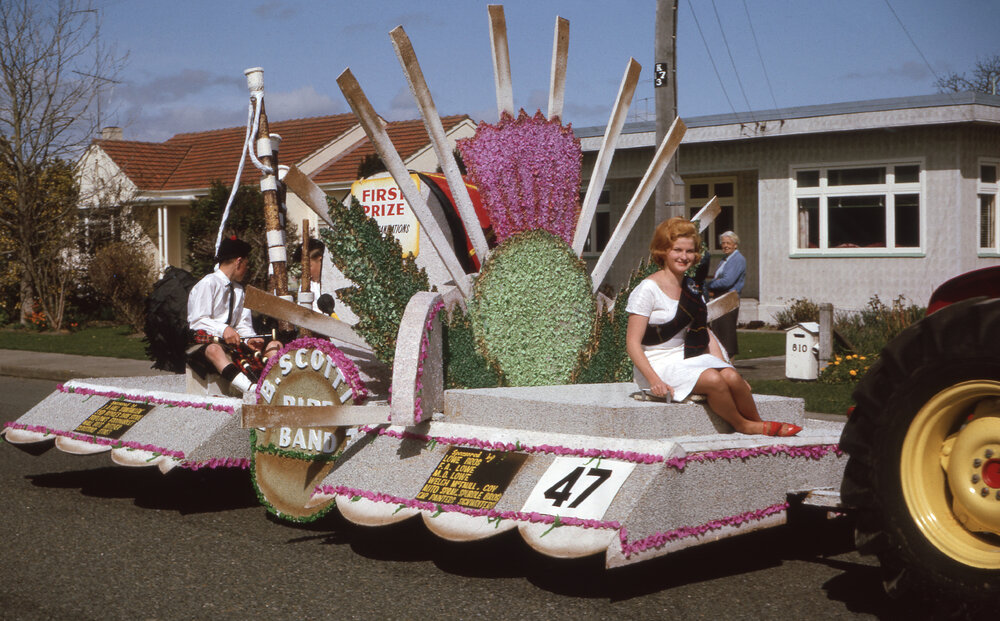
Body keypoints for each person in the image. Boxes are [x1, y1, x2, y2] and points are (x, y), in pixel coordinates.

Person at [625, 218, 800, 436]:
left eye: (689, 251)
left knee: (732, 377)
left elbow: (705, 333)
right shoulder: (647, 289)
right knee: (713, 378)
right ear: (663, 251)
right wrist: (654, 380)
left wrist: (728, 366)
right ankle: (743, 425)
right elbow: (632, 344)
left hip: (684, 358)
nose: (684, 256)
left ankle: (759, 423)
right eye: (677, 250)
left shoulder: (690, 286)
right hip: (655, 363)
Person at [187, 236, 267, 395]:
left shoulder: (239, 290)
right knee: (215, 349)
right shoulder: (208, 283)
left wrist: (249, 338)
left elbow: (243, 324)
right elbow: (197, 321)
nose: (247, 268)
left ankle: (269, 386)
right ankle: (252, 390)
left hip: (230, 344)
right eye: (246, 264)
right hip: (204, 342)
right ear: (238, 262)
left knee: (271, 346)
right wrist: (224, 329)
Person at [705, 230, 746, 356]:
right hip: (721, 298)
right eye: (723, 243)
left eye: (728, 243)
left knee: (726, 334)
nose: (725, 245)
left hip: (729, 299)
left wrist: (708, 285)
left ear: (735, 244)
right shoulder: (726, 259)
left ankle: (729, 366)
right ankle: (721, 362)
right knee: (719, 332)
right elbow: (720, 279)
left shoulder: (737, 259)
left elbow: (727, 281)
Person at [291, 238, 338, 318]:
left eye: (308, 266)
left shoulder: (336, 282)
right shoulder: (308, 286)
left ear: (320, 260)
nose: (305, 273)